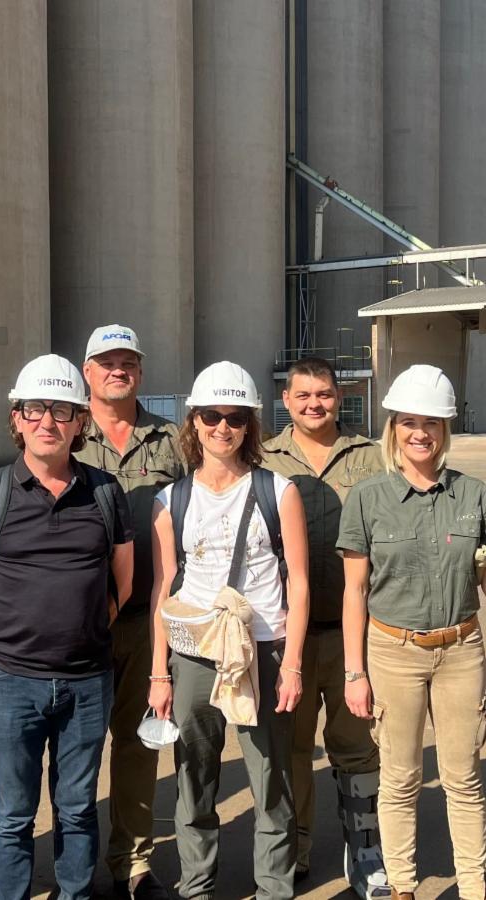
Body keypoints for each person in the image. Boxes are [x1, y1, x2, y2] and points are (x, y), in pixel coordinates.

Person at [338, 364, 486, 900]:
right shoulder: (367, 498)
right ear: (393, 427)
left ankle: (474, 889)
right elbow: (355, 592)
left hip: (461, 651)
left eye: (431, 423)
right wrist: (354, 673)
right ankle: (403, 888)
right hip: (393, 653)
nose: (420, 433)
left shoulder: (473, 494)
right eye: (409, 422)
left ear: (445, 429)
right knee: (400, 779)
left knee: (463, 778)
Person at [0, 354, 134, 900]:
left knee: (77, 808)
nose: (47, 421)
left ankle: (74, 893)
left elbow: (121, 584)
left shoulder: (105, 492)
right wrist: (10, 641)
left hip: (87, 681)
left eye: (62, 410)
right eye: (35, 409)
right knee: (13, 812)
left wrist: (81, 631)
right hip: (10, 683)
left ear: (81, 421)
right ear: (17, 417)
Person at [148, 361, 310, 900]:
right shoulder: (171, 500)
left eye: (236, 417)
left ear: (250, 425)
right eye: (212, 416)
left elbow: (299, 582)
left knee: (270, 780)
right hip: (195, 652)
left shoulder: (278, 491)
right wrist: (159, 673)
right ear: (193, 421)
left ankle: (274, 889)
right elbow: (163, 590)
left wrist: (292, 665)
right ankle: (196, 886)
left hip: (262, 651)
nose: (223, 427)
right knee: (193, 778)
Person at [261, 357, 387, 897]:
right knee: (290, 749)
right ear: (285, 401)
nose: (315, 404)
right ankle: (297, 847)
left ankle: (367, 852)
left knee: (356, 744)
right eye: (304, 395)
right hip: (285, 635)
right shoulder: (263, 457)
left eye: (325, 394)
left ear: (340, 397)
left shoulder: (372, 457)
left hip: (352, 632)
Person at [73, 324, 184, 900]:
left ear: (139, 370)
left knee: (139, 743)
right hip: (80, 622)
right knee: (77, 747)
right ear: (87, 371)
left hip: (148, 619)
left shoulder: (171, 440)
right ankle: (74, 866)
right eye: (107, 362)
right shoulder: (66, 432)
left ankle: (133, 863)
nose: (119, 370)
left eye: (128, 362)